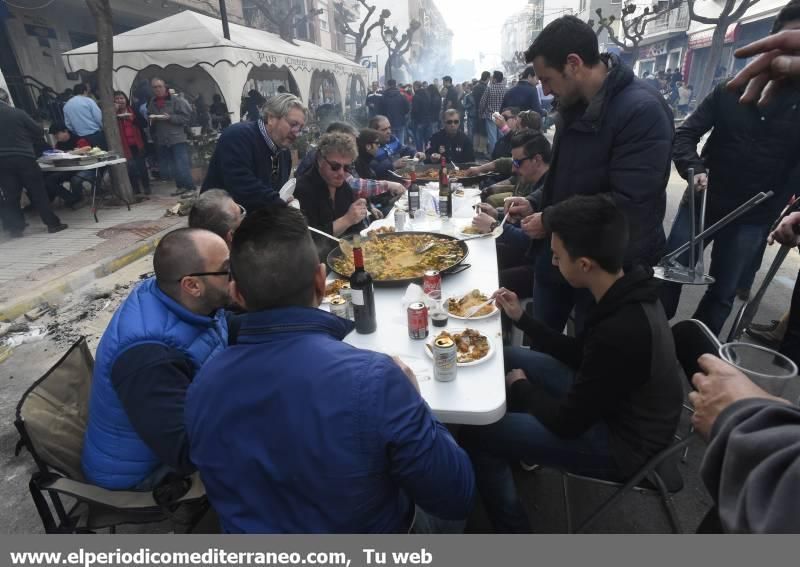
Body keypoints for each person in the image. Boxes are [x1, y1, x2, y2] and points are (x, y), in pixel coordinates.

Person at [184, 206, 475, 533]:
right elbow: (456, 497)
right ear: (322, 281)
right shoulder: (376, 380)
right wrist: (417, 402)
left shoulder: (200, 386)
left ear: (236, 294)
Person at [461, 195, 683, 533]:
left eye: (557, 256)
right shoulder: (623, 286)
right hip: (611, 405)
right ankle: (514, 443)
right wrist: (522, 318)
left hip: (625, 444)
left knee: (480, 433)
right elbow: (583, 354)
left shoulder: (622, 329)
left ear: (584, 264)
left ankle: (513, 531)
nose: (552, 263)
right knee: (504, 354)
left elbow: (568, 423)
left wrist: (521, 390)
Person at [510, 15, 673, 332]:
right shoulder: (573, 105)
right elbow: (563, 176)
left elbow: (629, 204)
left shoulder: (642, 111)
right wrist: (534, 202)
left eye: (546, 78)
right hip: (559, 254)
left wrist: (551, 219)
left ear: (573, 64)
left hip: (605, 266)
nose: (543, 89)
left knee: (583, 355)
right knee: (542, 338)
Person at [659, 1, 800, 337]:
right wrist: (694, 169)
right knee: (670, 274)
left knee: (722, 295)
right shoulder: (730, 89)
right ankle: (653, 338)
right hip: (703, 203)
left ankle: (696, 353)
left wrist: (787, 212)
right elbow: (686, 134)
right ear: (772, 41)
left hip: (753, 218)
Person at [81, 228, 230, 490]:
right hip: (145, 472)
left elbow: (223, 328)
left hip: (173, 428)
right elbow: (186, 451)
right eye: (228, 270)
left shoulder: (174, 294)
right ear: (192, 285)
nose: (236, 276)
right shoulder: (149, 358)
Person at [202, 93, 306, 212]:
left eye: (300, 128)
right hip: (217, 220)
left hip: (253, 221)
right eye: (293, 124)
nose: (297, 133)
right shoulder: (237, 136)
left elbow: (276, 192)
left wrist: (284, 201)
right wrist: (277, 201)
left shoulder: (283, 152)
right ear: (271, 118)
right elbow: (241, 185)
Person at [0, 92, 67, 237]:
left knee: (11, 194)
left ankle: (15, 228)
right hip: (24, 157)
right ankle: (52, 224)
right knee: (38, 191)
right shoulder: (17, 113)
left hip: (2, 162)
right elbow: (37, 131)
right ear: (6, 99)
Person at [294, 122, 406, 201]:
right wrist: (387, 185)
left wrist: (369, 207)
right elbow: (352, 184)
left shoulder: (345, 159)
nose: (353, 147)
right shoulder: (318, 160)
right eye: (348, 142)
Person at [295, 132, 366, 258]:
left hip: (345, 256)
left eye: (347, 167)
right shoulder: (302, 190)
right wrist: (347, 220)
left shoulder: (344, 188)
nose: (341, 173)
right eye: (335, 166)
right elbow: (309, 241)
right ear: (320, 160)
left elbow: (357, 230)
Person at [147, 78, 195, 195]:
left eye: (159, 86)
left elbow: (186, 117)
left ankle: (190, 188)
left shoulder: (176, 100)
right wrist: (152, 119)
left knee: (182, 163)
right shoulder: (152, 102)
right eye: (155, 87)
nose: (157, 89)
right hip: (163, 139)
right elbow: (149, 116)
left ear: (165, 87)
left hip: (177, 138)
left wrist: (171, 117)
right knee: (173, 165)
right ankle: (180, 187)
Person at [44, 123, 93, 207]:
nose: (56, 137)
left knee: (76, 179)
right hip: (66, 170)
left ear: (65, 131)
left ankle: (77, 199)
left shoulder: (79, 140)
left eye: (57, 134)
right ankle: (71, 198)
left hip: (82, 168)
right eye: (54, 135)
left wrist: (69, 153)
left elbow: (87, 149)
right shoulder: (58, 144)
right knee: (49, 180)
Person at [114, 91, 150, 196]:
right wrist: (115, 112)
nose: (120, 101)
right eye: (117, 99)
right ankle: (135, 189)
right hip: (124, 146)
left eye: (122, 98)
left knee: (141, 167)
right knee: (130, 168)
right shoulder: (112, 114)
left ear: (126, 100)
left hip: (137, 144)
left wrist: (132, 119)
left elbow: (143, 123)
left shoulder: (133, 110)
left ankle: (146, 187)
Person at [367, 115, 425, 179]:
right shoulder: (370, 147)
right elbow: (373, 171)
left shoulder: (392, 139)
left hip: (399, 177)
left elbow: (404, 149)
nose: (389, 131)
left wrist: (416, 153)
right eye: (384, 130)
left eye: (389, 128)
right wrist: (393, 165)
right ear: (374, 132)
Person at [62, 82, 105, 148]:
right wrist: (103, 127)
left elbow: (68, 124)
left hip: (80, 137)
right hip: (95, 134)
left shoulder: (66, 105)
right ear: (85, 91)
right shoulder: (89, 101)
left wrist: (76, 132)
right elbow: (98, 117)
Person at [479, 71, 507, 156]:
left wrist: (481, 112)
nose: (491, 79)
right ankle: (502, 153)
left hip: (490, 116)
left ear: (495, 79)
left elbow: (482, 103)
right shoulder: (506, 89)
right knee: (502, 136)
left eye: (492, 77)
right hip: (502, 116)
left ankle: (494, 155)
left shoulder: (489, 88)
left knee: (492, 137)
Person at [377, 79, 410, 144]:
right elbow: (407, 109)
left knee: (391, 142)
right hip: (400, 121)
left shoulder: (383, 97)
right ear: (395, 85)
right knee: (400, 141)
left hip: (388, 123)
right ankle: (401, 152)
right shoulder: (402, 96)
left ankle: (394, 153)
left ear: (388, 86)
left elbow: (380, 111)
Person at [471, 71, 490, 155]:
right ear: (488, 78)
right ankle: (482, 149)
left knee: (476, 130)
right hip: (483, 112)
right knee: (483, 130)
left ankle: (475, 147)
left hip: (475, 111)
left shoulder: (475, 87)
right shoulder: (485, 88)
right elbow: (485, 102)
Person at [411, 81, 431, 153]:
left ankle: (420, 155)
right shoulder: (427, 94)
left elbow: (415, 110)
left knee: (419, 140)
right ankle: (428, 154)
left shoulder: (416, 96)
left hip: (418, 121)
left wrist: (413, 117)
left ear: (415, 86)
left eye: (413, 86)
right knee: (427, 139)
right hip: (427, 120)